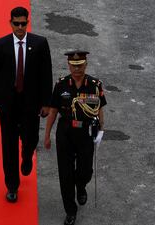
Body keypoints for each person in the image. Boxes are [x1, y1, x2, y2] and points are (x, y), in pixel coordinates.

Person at [0, 6, 52, 203]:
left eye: (23, 23)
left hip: (31, 104)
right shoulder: (0, 45)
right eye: (17, 24)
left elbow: (46, 74)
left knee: (30, 139)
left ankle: (27, 154)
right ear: (10, 23)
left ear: (27, 22)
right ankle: (12, 186)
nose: (20, 27)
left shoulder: (40, 43)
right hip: (7, 105)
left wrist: (46, 102)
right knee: (8, 146)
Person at [44, 50, 106, 225]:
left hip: (86, 133)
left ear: (86, 65)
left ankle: (81, 186)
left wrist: (101, 129)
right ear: (68, 65)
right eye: (74, 65)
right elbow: (53, 111)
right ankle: (70, 210)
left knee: (85, 170)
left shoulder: (95, 85)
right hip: (65, 132)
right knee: (65, 174)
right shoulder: (61, 84)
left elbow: (100, 108)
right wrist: (47, 135)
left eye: (80, 65)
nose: (77, 69)